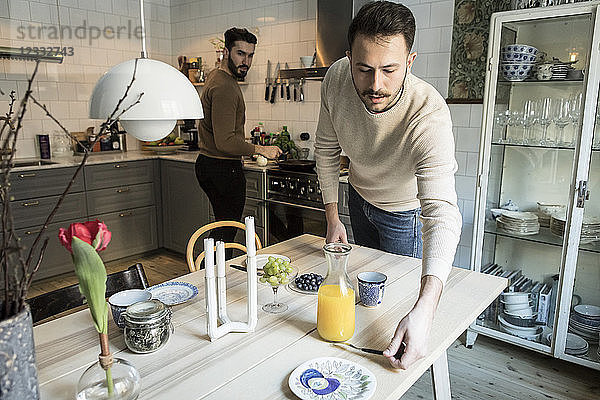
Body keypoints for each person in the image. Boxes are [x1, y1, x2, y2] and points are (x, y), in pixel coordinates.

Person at [314, 2, 462, 369]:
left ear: (410, 61)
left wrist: (426, 309)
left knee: (401, 309)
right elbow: (327, 149)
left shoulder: (427, 112)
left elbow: (441, 212)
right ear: (348, 57)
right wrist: (334, 216)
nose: (375, 85)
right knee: (366, 305)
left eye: (389, 69)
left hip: (405, 215)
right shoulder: (335, 78)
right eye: (363, 69)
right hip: (358, 197)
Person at [196, 27, 281, 252]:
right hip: (222, 166)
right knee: (227, 231)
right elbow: (225, 141)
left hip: (209, 163)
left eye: (250, 55)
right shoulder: (224, 86)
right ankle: (217, 279)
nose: (246, 61)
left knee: (223, 228)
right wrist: (260, 149)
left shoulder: (218, 75)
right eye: (240, 53)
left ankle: (212, 275)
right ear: (226, 51)